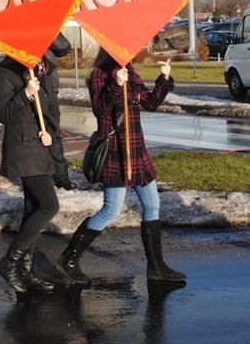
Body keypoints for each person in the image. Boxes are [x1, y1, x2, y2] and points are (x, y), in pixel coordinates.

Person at [56, 49, 185, 286]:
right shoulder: (98, 74)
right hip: (115, 152)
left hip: (137, 150)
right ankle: (69, 259)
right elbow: (99, 110)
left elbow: (150, 103)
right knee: (111, 211)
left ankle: (156, 267)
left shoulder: (130, 71)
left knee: (152, 205)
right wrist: (116, 84)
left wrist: (164, 79)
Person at [0, 51, 61, 293]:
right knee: (49, 205)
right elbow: (4, 114)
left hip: (38, 146)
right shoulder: (7, 71)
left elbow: (50, 108)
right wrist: (26, 93)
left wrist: (49, 132)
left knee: (32, 208)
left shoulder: (43, 67)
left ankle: (26, 269)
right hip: (22, 148)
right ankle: (10, 262)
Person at [45, 33, 75, 190]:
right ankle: (35, 178)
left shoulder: (47, 24)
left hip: (50, 92)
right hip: (27, 90)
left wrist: (50, 31)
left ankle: (61, 178)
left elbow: (64, 48)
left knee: (54, 136)